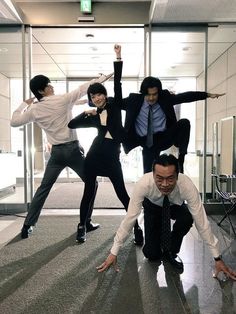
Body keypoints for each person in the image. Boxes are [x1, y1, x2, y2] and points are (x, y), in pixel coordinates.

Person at [97, 154, 236, 280]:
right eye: (159, 179)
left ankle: (171, 249)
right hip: (152, 207)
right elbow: (130, 217)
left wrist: (217, 258)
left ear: (177, 175)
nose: (164, 184)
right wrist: (114, 252)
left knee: (188, 216)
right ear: (153, 175)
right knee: (152, 254)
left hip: (174, 206)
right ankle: (158, 242)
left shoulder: (186, 185)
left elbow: (202, 221)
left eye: (170, 179)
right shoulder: (143, 184)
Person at [11, 71, 112, 239]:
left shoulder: (34, 109)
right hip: (73, 151)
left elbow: (14, 122)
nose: (52, 86)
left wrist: (24, 104)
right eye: (49, 85)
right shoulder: (62, 99)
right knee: (91, 183)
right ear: (42, 90)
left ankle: (27, 225)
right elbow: (83, 88)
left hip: (56, 154)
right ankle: (86, 222)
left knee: (43, 188)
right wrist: (102, 78)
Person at [68, 44, 143, 245]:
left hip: (111, 158)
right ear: (91, 99)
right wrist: (86, 112)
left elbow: (117, 81)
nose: (97, 98)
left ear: (104, 94)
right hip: (93, 157)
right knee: (88, 192)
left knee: (122, 194)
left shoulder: (115, 105)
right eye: (93, 97)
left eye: (99, 94)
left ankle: (136, 228)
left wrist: (118, 57)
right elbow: (71, 124)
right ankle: (82, 227)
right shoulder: (92, 116)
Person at [121, 77, 225, 173]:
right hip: (146, 142)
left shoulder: (165, 98)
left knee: (184, 123)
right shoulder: (133, 101)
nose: (152, 98)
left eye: (155, 94)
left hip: (164, 137)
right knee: (148, 175)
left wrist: (206, 95)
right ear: (143, 93)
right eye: (148, 95)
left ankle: (181, 160)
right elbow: (115, 102)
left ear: (159, 93)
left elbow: (184, 97)